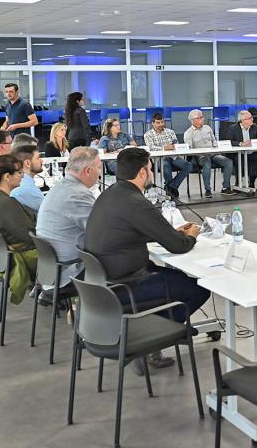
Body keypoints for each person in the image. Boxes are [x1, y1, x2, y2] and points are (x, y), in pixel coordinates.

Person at [84, 148, 209, 373]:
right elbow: (178, 246)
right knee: (198, 289)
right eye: (150, 168)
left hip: (104, 282)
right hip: (126, 285)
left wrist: (168, 231)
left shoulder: (111, 193)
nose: (152, 173)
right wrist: (191, 234)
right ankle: (152, 340)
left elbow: (131, 229)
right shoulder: (136, 202)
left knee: (177, 278)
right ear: (143, 172)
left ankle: (151, 332)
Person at [34, 147, 101, 306]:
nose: (100, 172)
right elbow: (101, 231)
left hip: (50, 272)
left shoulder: (61, 186)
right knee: (125, 267)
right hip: (68, 271)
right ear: (87, 171)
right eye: (98, 168)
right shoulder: (77, 194)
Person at [0, 154, 38, 304]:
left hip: (3, 258)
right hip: (23, 258)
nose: (22, 177)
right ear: (6, 176)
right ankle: (58, 296)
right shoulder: (7, 204)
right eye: (19, 173)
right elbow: (30, 237)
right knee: (67, 254)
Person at [183, 109, 234, 197]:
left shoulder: (208, 128)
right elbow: (189, 150)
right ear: (194, 120)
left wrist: (216, 148)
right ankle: (208, 189)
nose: (203, 119)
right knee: (207, 162)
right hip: (199, 157)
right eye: (200, 117)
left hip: (213, 154)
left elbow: (214, 141)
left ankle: (226, 187)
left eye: (202, 117)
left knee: (228, 161)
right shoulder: (188, 133)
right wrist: (202, 152)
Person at [143, 112, 191, 199]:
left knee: (188, 165)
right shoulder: (148, 134)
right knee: (166, 166)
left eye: (162, 122)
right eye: (158, 123)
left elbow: (176, 143)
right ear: (153, 123)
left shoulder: (170, 132)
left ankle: (171, 186)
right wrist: (164, 148)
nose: (161, 124)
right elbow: (151, 147)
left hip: (174, 157)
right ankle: (171, 191)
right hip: (159, 159)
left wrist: (174, 146)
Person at [226, 110, 257, 188]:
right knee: (239, 161)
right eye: (250, 118)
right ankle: (238, 181)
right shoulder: (233, 128)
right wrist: (241, 144)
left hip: (251, 153)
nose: (252, 119)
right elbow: (229, 142)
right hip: (239, 153)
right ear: (243, 120)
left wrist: (253, 142)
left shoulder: (254, 127)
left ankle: (252, 180)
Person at [10, 144, 44, 214]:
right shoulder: (27, 188)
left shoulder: (22, 182)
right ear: (27, 163)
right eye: (38, 158)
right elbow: (53, 210)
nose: (42, 161)